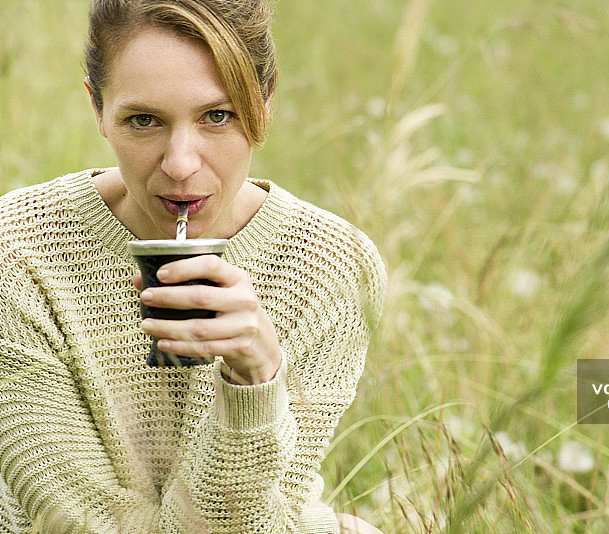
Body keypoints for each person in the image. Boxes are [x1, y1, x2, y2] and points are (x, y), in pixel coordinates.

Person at [0, 1, 386, 532]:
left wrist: (254, 380)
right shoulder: (18, 250)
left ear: (264, 102)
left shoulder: (330, 267)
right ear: (97, 109)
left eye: (217, 115)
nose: (181, 163)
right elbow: (74, 521)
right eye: (144, 120)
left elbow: (261, 522)